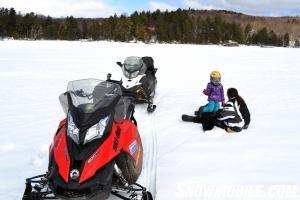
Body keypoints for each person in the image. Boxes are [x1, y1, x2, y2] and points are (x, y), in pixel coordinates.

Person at [182, 88, 251, 133]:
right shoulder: (240, 101)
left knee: (211, 117)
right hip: (240, 125)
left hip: (233, 127)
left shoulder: (230, 103)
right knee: (216, 113)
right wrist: (246, 124)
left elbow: (222, 116)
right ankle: (202, 114)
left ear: (228, 95)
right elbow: (246, 115)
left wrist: (215, 114)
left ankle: (195, 119)